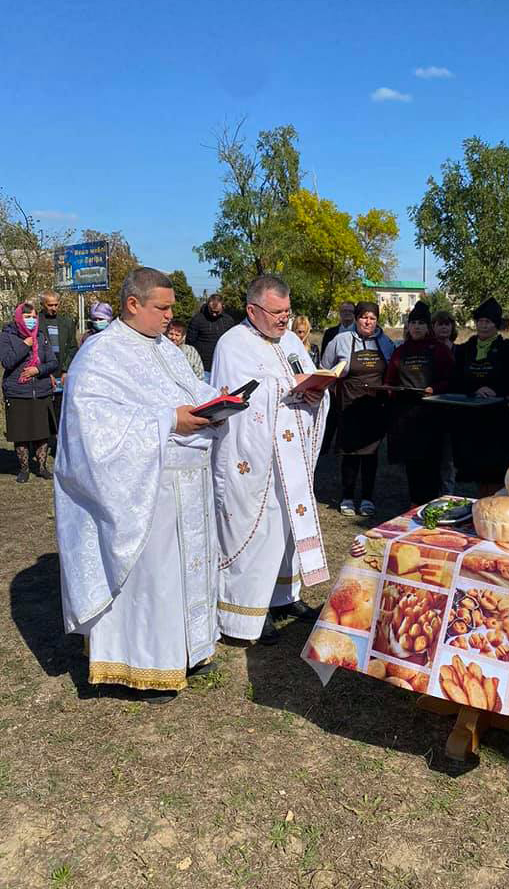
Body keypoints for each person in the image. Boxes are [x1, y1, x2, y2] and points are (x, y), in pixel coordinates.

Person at [54, 268, 223, 703]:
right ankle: (146, 664)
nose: (170, 316)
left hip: (184, 485)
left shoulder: (164, 348)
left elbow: (189, 389)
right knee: (153, 581)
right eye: (161, 308)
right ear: (133, 304)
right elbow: (90, 430)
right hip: (142, 491)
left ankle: (188, 650)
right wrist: (170, 420)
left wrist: (221, 399)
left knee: (182, 576)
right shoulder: (100, 354)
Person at [211, 274, 329, 646]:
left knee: (287, 529)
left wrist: (315, 394)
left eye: (288, 311)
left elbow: (305, 378)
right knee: (257, 529)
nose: (284, 319)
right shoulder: (232, 345)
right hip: (253, 461)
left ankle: (282, 596)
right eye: (277, 312)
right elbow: (238, 402)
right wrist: (288, 391)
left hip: (291, 458)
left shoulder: (292, 339)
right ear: (252, 310)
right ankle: (246, 610)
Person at [321, 301, 395, 516]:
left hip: (375, 406)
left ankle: (367, 498)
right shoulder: (341, 340)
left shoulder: (386, 342)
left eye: (372, 318)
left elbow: (392, 370)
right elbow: (326, 369)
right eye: (364, 317)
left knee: (371, 454)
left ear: (377, 320)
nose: (368, 321)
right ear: (356, 318)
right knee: (350, 452)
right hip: (349, 404)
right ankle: (347, 496)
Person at [451, 297, 509, 496]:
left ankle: (495, 504)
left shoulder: (508, 349)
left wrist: (496, 390)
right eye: (480, 321)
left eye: (488, 322)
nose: (483, 326)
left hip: (498, 422)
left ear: (496, 324)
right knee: (475, 472)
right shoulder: (464, 350)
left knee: (494, 473)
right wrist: (473, 391)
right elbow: (455, 380)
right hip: (471, 422)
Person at [385, 301, 454, 504]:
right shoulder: (400, 351)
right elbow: (390, 380)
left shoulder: (440, 350)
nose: (416, 327)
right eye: (413, 323)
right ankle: (415, 504)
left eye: (421, 324)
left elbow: (451, 380)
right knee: (412, 466)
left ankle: (430, 505)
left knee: (431, 465)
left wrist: (436, 389)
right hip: (406, 418)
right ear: (408, 327)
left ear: (428, 327)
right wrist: (391, 391)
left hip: (432, 417)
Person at [1, 302, 58, 483]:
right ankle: (24, 469)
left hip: (40, 390)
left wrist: (37, 370)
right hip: (18, 392)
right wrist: (25, 345)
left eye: (34, 317)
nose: (32, 320)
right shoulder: (6, 336)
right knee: (22, 434)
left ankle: (41, 467)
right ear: (18, 317)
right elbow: (7, 362)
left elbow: (52, 362)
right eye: (27, 317)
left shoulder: (41, 336)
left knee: (42, 433)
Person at [319, 300, 356, 455]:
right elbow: (324, 359)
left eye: (350, 311)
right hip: (332, 383)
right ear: (340, 313)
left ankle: (343, 446)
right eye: (344, 311)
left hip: (351, 383)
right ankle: (324, 447)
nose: (346, 314)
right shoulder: (330, 333)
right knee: (331, 416)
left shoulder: (358, 333)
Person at [37, 290, 77, 430]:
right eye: (50, 305)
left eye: (56, 305)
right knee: (42, 412)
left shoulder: (67, 322)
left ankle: (57, 443)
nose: (54, 308)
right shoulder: (35, 322)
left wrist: (66, 370)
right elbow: (33, 351)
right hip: (42, 372)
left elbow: (72, 347)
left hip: (61, 372)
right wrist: (45, 372)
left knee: (59, 410)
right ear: (42, 304)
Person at [431, 310, 459, 493]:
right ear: (433, 327)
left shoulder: (460, 350)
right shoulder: (428, 348)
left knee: (449, 456)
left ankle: (448, 491)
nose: (443, 327)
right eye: (439, 324)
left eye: (447, 324)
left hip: (454, 409)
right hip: (431, 407)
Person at [186, 293, 235, 381]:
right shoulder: (197, 320)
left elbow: (233, 343)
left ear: (223, 307)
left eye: (217, 312)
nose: (214, 314)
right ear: (208, 306)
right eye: (211, 311)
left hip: (222, 367)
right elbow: (190, 343)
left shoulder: (229, 321)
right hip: (202, 368)